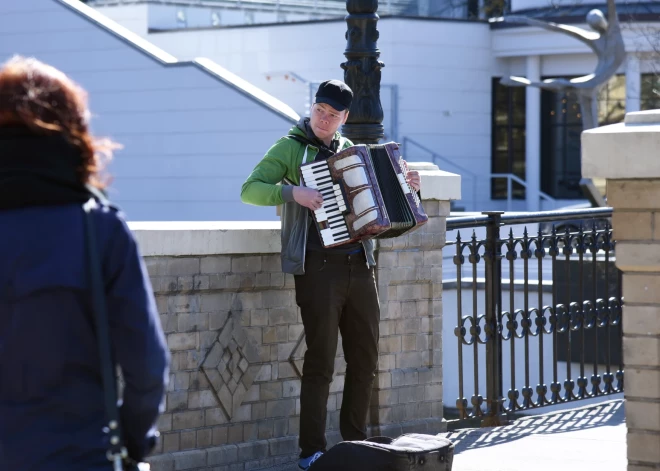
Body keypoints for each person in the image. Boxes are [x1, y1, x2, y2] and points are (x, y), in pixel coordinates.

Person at [0, 56, 170, 470]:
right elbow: (147, 367)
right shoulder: (100, 230)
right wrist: (131, 443)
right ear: (73, 130)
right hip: (80, 454)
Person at [241, 80, 420, 470]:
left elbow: (383, 212)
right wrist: (293, 194)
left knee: (365, 358)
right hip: (318, 266)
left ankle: (354, 446)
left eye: (333, 114)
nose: (324, 118)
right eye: (319, 110)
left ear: (345, 118)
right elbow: (250, 190)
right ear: (312, 107)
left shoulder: (351, 153)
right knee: (321, 360)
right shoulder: (290, 147)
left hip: (361, 264)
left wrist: (409, 189)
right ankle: (312, 454)